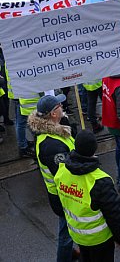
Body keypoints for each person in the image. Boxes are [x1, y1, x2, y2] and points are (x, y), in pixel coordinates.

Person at [54, 130, 120, 262]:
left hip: (77, 235)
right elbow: (114, 214)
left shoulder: (62, 170)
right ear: (94, 149)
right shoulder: (100, 180)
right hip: (100, 239)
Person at [28, 94, 77, 262]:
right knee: (66, 232)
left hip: (61, 194)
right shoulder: (51, 145)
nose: (62, 107)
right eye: (59, 106)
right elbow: (66, 173)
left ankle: (68, 253)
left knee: (67, 228)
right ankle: (63, 257)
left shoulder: (54, 130)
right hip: (63, 196)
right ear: (54, 114)